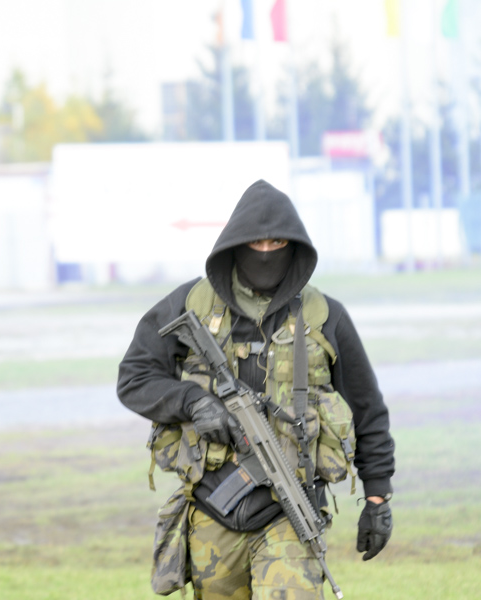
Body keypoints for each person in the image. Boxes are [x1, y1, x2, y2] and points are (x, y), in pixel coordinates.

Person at [118, 179, 395, 599]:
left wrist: (377, 496)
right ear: (236, 244)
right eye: (256, 243)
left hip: (290, 510)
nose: (266, 253)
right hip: (211, 508)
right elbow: (134, 377)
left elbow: (367, 408)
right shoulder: (192, 304)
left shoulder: (323, 316)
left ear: (294, 247)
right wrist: (193, 402)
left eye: (277, 243)